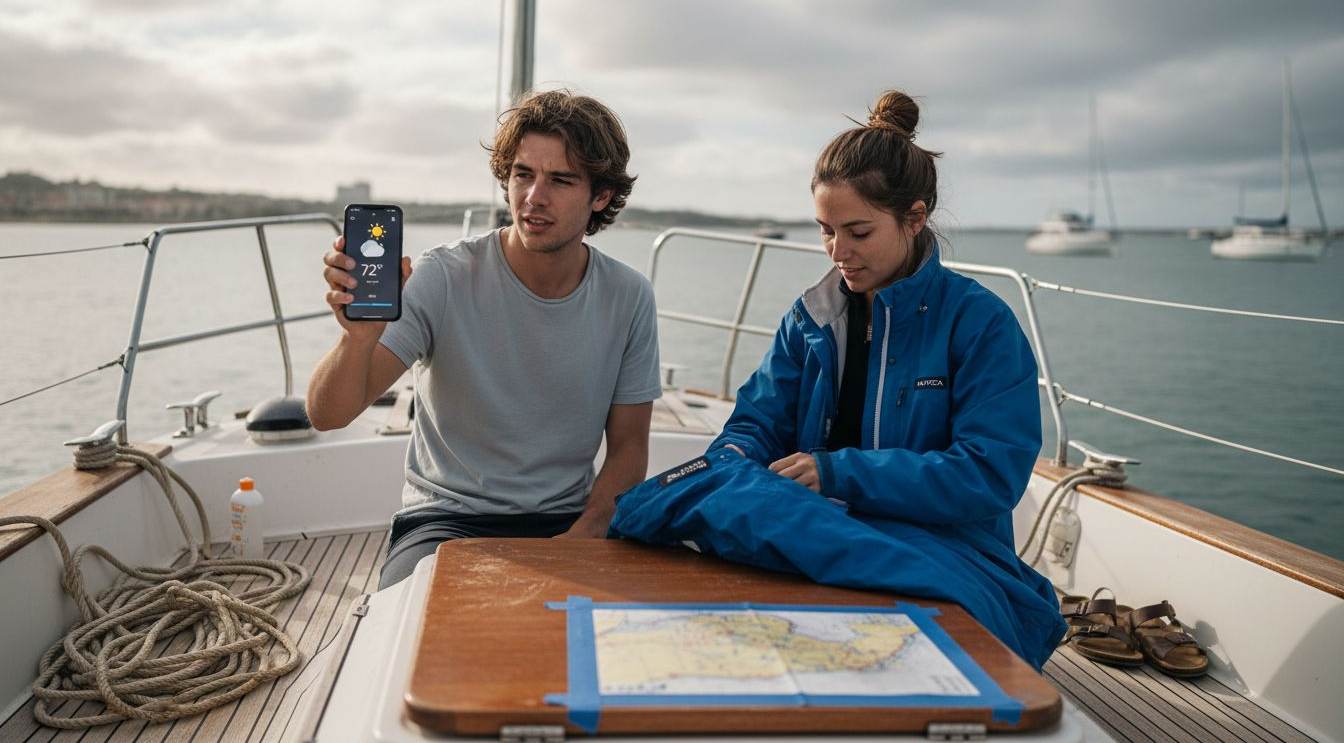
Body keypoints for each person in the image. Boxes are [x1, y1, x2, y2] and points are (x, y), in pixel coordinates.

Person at [611, 90, 1062, 669]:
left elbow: (989, 475)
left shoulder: (980, 326)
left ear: (915, 218)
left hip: (942, 544)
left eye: (858, 231)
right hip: (816, 524)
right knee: (677, 492)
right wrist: (738, 462)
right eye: (825, 230)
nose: (838, 252)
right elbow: (755, 423)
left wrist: (834, 471)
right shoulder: (810, 318)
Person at [307, 90, 662, 589]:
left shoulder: (628, 296)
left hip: (568, 519)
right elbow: (328, 415)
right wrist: (357, 340)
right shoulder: (443, 275)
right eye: (522, 174)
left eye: (560, 180)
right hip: (445, 520)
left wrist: (585, 535)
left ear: (600, 196)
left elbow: (629, 447)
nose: (534, 197)